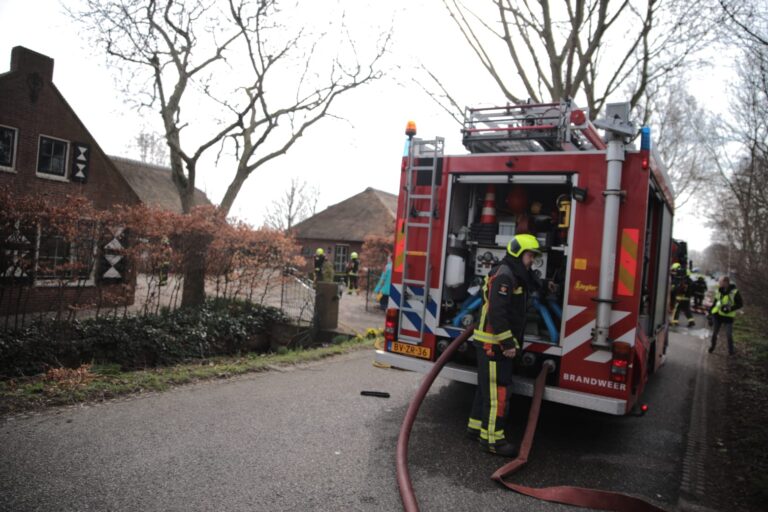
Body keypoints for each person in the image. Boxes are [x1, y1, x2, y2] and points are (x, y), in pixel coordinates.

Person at [466, 233, 542, 457]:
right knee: (498, 393)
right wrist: (508, 343)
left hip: (492, 344)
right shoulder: (505, 276)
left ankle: (475, 428)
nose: (532, 260)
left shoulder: (512, 273)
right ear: (519, 253)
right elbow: (498, 313)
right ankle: (493, 441)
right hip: (494, 346)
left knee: (485, 390)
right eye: (530, 255)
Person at [708, 276, 743, 355]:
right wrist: (710, 313)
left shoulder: (734, 292)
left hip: (728, 317)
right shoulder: (719, 290)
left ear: (726, 282)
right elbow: (715, 303)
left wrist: (730, 308)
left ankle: (731, 351)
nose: (719, 283)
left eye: (720, 282)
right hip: (717, 315)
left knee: (729, 334)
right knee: (714, 333)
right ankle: (712, 347)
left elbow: (740, 304)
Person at [670, 263, 695, 327]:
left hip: (679, 298)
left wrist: (673, 290)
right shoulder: (690, 281)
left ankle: (674, 322)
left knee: (676, 310)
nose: (674, 273)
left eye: (674, 270)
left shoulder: (681, 280)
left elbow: (676, 289)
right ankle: (691, 321)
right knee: (687, 310)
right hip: (687, 298)